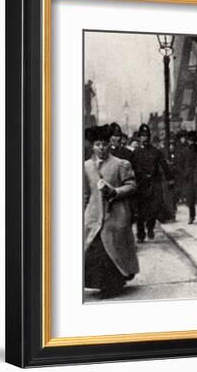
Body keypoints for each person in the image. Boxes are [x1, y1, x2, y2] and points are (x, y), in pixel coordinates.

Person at [83, 124, 139, 298]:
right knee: (95, 250)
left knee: (113, 248)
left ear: (110, 144)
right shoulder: (85, 167)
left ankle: (113, 285)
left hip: (115, 214)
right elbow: (85, 193)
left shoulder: (121, 164)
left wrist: (116, 192)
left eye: (104, 144)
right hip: (93, 214)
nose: (101, 148)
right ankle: (99, 284)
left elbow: (131, 185)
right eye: (98, 144)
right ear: (92, 146)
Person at [131, 124, 172, 242]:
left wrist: (170, 179)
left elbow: (164, 165)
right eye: (143, 136)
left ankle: (150, 227)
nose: (145, 138)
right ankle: (140, 234)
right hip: (141, 185)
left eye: (147, 136)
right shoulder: (135, 153)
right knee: (140, 211)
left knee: (153, 209)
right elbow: (132, 169)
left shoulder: (156, 152)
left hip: (154, 184)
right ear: (139, 138)